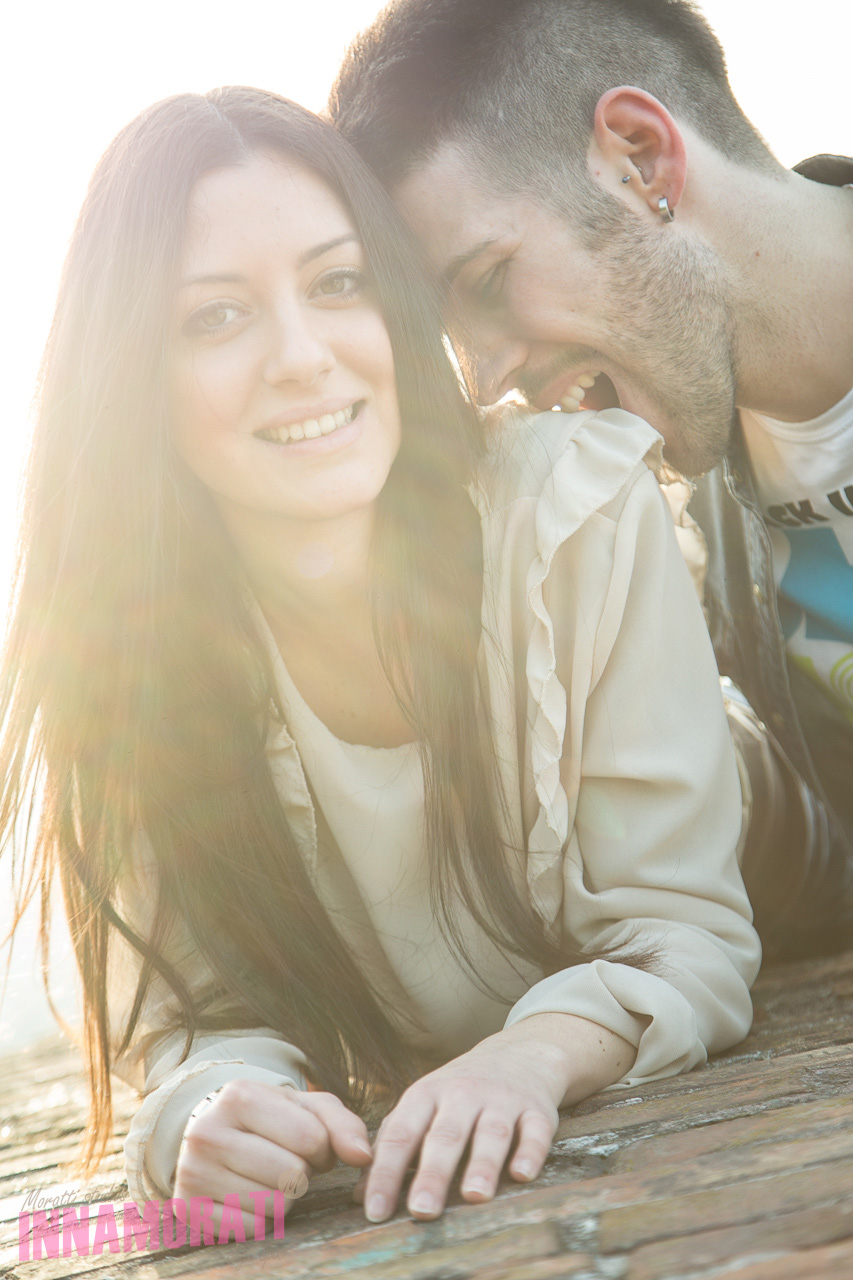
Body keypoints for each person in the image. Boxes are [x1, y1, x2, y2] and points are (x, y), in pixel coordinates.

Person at [0, 86, 758, 1234]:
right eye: (215, 318)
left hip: (803, 859)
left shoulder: (571, 505)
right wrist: (218, 1106)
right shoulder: (124, 659)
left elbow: (685, 929)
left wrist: (525, 1060)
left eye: (337, 282)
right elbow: (196, 1018)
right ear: (131, 381)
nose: (302, 358)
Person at [330, 0, 853, 960]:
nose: (485, 378)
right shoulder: (673, 520)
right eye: (452, 339)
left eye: (488, 282)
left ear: (639, 157)